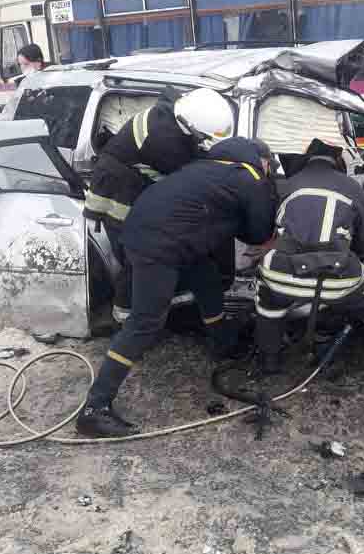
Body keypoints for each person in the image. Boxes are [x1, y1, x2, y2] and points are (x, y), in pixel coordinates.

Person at [77, 137, 277, 438]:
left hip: (149, 233)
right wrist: (268, 235)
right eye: (269, 166)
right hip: (161, 246)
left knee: (207, 278)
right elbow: (258, 232)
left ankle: (224, 344)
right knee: (145, 322)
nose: (269, 171)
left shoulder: (205, 165)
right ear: (261, 159)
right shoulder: (250, 176)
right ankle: (94, 409)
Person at [84, 86, 234, 323]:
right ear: (190, 127)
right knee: (136, 254)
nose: (204, 143)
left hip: (131, 182)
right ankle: (124, 317)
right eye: (203, 138)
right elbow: (191, 177)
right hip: (120, 194)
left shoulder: (175, 108)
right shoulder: (167, 142)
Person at [253, 139, 364, 376]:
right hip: (338, 280)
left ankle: (269, 359)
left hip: (282, 277)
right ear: (338, 159)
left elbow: (267, 232)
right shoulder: (352, 187)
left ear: (306, 157)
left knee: (267, 298)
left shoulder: (286, 185)